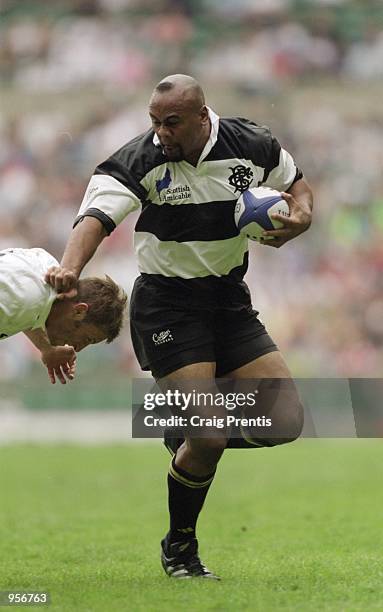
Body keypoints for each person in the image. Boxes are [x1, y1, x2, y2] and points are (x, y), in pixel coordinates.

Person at [46, 74, 313, 579]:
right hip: (167, 304)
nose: (160, 132)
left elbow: (296, 182)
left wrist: (300, 216)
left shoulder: (250, 143)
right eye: (153, 121)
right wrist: (69, 269)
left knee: (286, 421)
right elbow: (94, 220)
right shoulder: (139, 159)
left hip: (229, 300)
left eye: (171, 123)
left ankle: (184, 430)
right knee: (209, 437)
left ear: (201, 117)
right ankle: (180, 550)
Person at [0, 247, 127, 384]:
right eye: (86, 339)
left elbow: (26, 313)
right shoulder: (24, 298)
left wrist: (46, 348)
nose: (77, 349)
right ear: (79, 311)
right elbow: (22, 303)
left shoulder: (45, 267)